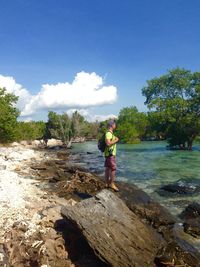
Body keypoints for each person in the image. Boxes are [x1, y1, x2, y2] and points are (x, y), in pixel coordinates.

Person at [104, 119, 119, 191]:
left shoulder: (110, 133)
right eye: (114, 124)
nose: (115, 125)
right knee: (113, 169)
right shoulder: (108, 133)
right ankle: (112, 184)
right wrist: (116, 140)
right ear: (112, 125)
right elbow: (108, 143)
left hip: (108, 154)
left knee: (107, 168)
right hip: (110, 154)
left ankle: (107, 183)